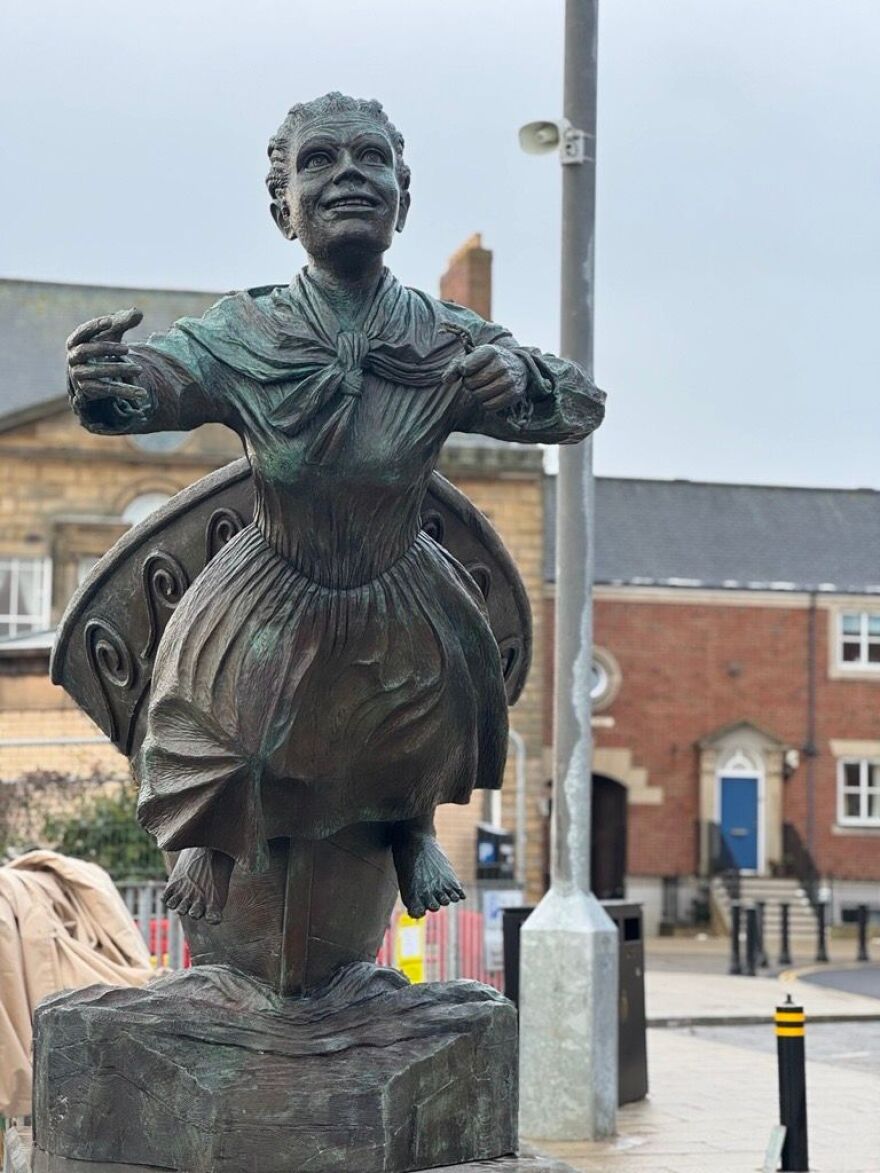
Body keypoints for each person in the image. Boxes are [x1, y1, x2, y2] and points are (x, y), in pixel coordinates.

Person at [65, 92, 605, 924]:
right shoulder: (245, 331)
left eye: (369, 158)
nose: (348, 174)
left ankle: (411, 825)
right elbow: (159, 383)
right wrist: (109, 384)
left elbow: (579, 403)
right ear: (283, 207)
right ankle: (208, 841)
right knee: (219, 717)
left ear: (401, 198)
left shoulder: (443, 335)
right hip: (276, 570)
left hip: (398, 570)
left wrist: (525, 381)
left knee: (430, 705)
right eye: (319, 161)